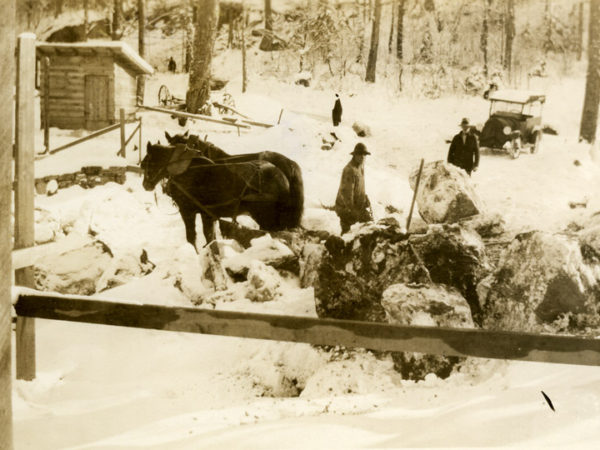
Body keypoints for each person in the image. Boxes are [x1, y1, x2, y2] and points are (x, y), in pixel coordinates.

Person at [335, 143, 373, 234]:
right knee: (347, 235)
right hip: (346, 207)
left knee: (369, 227)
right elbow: (346, 192)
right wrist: (351, 210)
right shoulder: (349, 170)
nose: (363, 157)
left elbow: (358, 187)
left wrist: (364, 198)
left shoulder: (360, 167)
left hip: (356, 206)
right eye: (360, 154)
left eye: (364, 155)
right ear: (355, 155)